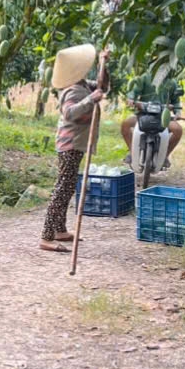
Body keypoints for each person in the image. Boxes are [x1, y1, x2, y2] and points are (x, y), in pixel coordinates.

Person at [39, 44, 109, 253]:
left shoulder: (82, 84)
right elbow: (70, 113)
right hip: (70, 145)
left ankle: (60, 229)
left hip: (74, 144)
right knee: (62, 188)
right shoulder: (72, 90)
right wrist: (90, 100)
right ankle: (46, 236)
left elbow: (101, 87)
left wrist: (103, 64)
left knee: (68, 187)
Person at [121, 79, 182, 172]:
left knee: (178, 130)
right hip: (143, 114)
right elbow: (134, 91)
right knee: (125, 125)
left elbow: (176, 102)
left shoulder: (172, 82)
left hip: (162, 117)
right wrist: (131, 99)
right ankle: (132, 152)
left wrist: (177, 113)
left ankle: (164, 156)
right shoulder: (145, 78)